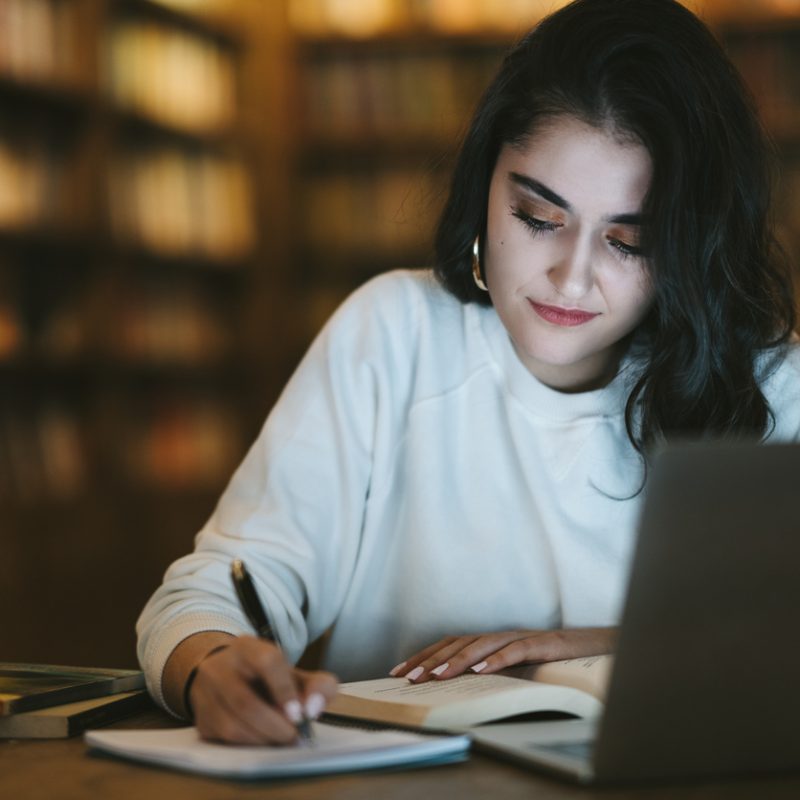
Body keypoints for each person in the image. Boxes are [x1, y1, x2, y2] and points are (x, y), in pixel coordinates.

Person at [137, 0, 800, 745]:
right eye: (538, 218)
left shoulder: (768, 384)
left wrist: (600, 643)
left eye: (627, 242)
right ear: (486, 184)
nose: (571, 279)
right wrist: (213, 668)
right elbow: (214, 591)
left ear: (691, 243)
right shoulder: (393, 334)